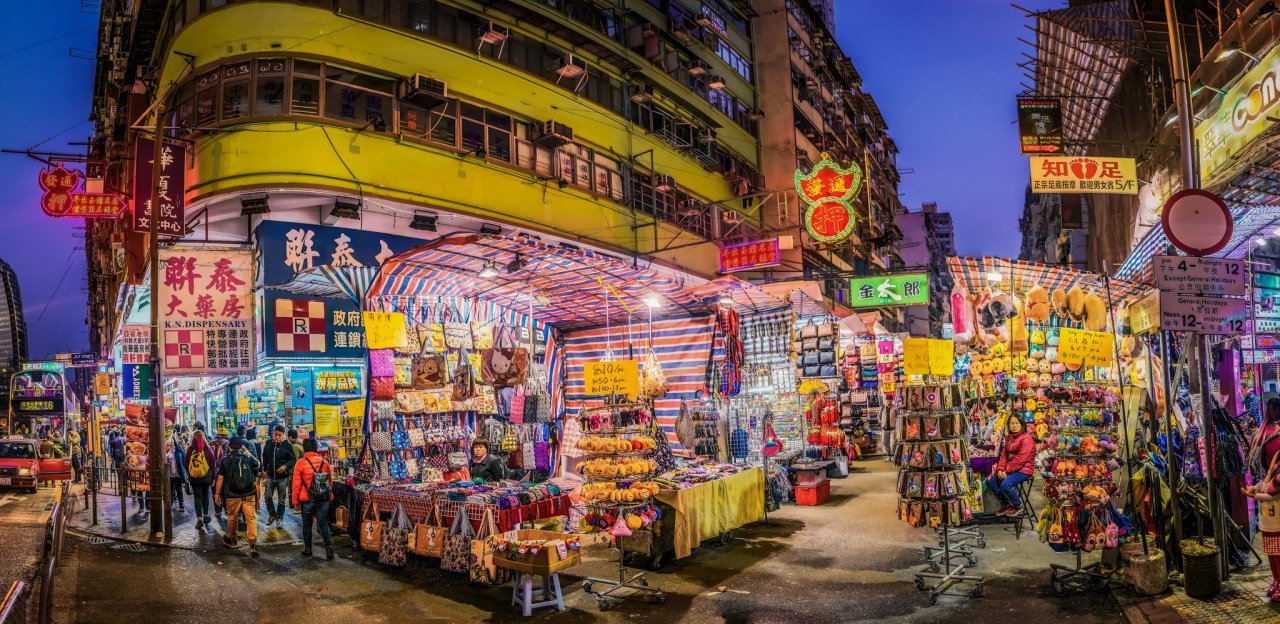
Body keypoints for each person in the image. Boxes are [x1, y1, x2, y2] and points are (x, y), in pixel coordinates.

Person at [1244, 397, 1280, 601]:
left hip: (1270, 494)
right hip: (1269, 493)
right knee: (1274, 546)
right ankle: (1277, 580)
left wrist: (1255, 492)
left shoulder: (1265, 433)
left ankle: (1278, 581)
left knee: (1274, 546)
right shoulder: (1268, 433)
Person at [214, 437, 261, 557]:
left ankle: (233, 540)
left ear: (229, 447)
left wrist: (217, 494)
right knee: (251, 518)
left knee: (232, 518)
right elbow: (258, 464)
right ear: (241, 447)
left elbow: (220, 478)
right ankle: (252, 544)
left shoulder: (225, 460)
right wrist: (247, 451)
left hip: (232, 495)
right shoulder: (247, 458)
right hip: (248, 494)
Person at [291, 438, 334, 560]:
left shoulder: (300, 463)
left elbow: (296, 485)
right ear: (316, 448)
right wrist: (331, 496)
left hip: (307, 499)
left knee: (307, 524)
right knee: (323, 523)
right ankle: (329, 549)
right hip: (323, 498)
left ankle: (308, 549)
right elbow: (329, 483)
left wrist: (295, 501)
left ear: (304, 448)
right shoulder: (324, 462)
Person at [987, 417, 1035, 517]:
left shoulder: (1027, 439)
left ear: (1022, 424)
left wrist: (1007, 471)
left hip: (1024, 470)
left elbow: (1021, 459)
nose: (1014, 426)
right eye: (1011, 423)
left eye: (1017, 423)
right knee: (992, 482)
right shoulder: (1009, 437)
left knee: (1005, 484)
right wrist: (1000, 469)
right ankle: (1007, 504)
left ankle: (1018, 506)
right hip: (1011, 469)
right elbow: (1004, 455)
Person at [261, 425, 296, 528]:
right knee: (267, 496)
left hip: (283, 477)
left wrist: (285, 467)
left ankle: (279, 519)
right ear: (273, 434)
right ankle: (272, 514)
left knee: (281, 499)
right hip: (270, 476)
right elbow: (265, 457)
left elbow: (293, 459)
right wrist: (264, 469)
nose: (277, 437)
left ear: (283, 435)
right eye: (275, 435)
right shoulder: (268, 444)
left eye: (279, 435)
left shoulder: (287, 445)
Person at [186, 430, 217, 529]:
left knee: (197, 497)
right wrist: (213, 477)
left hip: (194, 478)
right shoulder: (207, 448)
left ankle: (199, 519)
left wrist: (190, 474)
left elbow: (186, 463)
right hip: (206, 478)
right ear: (203, 437)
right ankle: (206, 516)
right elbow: (213, 464)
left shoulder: (190, 449)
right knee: (205, 496)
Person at [209, 427, 231, 521]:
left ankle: (218, 510)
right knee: (225, 490)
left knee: (215, 492)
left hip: (213, 472)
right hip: (224, 472)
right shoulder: (228, 443)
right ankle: (226, 509)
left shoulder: (210, 443)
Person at [166, 442, 186, 513]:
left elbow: (183, 461)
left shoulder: (179, 452)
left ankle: (181, 505)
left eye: (170, 445)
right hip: (170, 475)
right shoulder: (169, 453)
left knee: (179, 490)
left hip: (177, 475)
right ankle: (170, 504)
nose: (169, 446)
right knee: (171, 490)